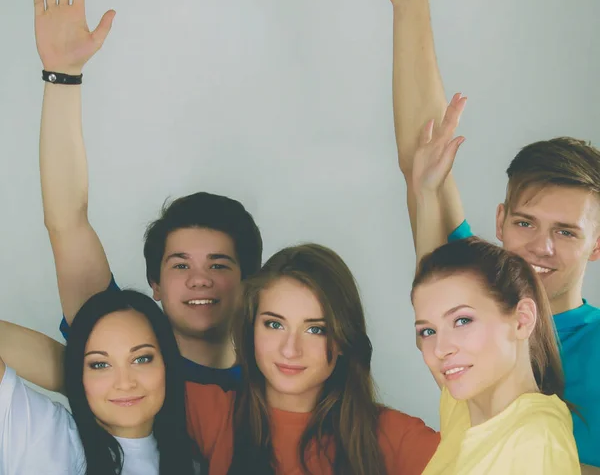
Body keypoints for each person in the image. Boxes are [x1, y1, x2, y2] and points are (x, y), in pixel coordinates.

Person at [373, 0, 600, 469]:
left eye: (567, 232)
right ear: (499, 220)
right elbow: (423, 157)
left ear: (597, 243)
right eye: (525, 221)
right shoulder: (468, 291)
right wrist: (409, 2)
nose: (541, 247)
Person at [34, 0, 262, 388]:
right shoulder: (119, 354)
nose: (199, 279)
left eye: (219, 264)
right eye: (179, 265)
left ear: (250, 282)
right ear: (154, 284)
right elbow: (67, 222)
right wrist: (63, 75)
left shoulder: (286, 374)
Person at [185, 243, 440, 475]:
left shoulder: (396, 436)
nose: (290, 350)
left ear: (343, 339)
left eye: (315, 329)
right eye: (274, 324)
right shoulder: (212, 411)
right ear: (251, 328)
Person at [412, 237, 580, 474]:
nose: (440, 349)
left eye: (462, 320)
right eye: (428, 331)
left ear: (522, 320)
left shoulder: (533, 442)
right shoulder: (461, 404)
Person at [0, 289, 201, 474]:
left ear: (167, 363)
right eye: (100, 365)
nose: (125, 383)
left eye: (141, 359)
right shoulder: (51, 436)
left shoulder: (196, 463)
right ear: (79, 375)